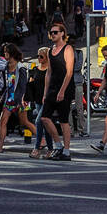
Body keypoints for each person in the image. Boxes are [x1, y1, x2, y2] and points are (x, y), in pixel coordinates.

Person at [40, 20, 76, 160]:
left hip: (65, 88)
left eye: (56, 32)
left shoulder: (68, 49)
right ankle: (58, 145)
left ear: (62, 34)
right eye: (51, 32)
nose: (53, 34)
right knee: (44, 117)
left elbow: (69, 72)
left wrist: (62, 91)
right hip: (52, 88)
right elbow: (48, 73)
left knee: (63, 120)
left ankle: (66, 151)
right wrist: (45, 92)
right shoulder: (50, 51)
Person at [0, 44, 34, 151]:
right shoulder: (6, 66)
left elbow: (23, 85)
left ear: (12, 53)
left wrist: (21, 99)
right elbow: (9, 84)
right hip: (9, 99)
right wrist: (3, 95)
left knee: (25, 122)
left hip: (21, 99)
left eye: (6, 52)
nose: (5, 54)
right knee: (3, 121)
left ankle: (42, 140)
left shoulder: (21, 67)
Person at [27, 47, 50, 159]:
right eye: (38, 56)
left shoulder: (50, 70)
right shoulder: (35, 69)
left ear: (47, 57)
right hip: (37, 99)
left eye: (41, 56)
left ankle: (36, 148)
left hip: (47, 100)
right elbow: (30, 85)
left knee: (38, 121)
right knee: (45, 125)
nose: (39, 58)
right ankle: (50, 149)